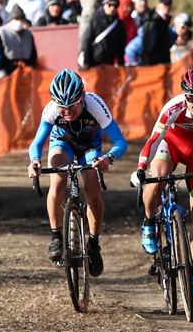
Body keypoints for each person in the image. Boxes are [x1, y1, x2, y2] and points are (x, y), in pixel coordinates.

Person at [131, 67, 193, 301]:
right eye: (191, 99)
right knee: (157, 181)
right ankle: (148, 221)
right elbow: (154, 140)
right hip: (171, 147)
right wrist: (141, 168)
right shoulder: (173, 108)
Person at [27, 69, 128, 276]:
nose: (67, 111)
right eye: (62, 107)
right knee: (57, 183)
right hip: (62, 143)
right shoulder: (51, 110)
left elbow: (120, 141)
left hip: (90, 147)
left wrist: (108, 158)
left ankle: (93, 243)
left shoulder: (95, 104)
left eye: (72, 105)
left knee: (93, 193)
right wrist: (34, 161)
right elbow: (37, 142)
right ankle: (56, 239)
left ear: (82, 97)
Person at [78, 0, 126, 70]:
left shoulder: (119, 24)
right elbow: (86, 40)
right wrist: (85, 61)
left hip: (110, 64)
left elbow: (121, 46)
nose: (112, 8)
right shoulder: (95, 20)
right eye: (109, 5)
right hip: (93, 64)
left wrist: (121, 64)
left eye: (115, 5)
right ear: (103, 5)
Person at [0, 4, 37, 78]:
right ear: (10, 20)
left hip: (24, 72)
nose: (19, 22)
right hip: (7, 71)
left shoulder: (28, 34)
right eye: (17, 19)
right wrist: (1, 72)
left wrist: (30, 67)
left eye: (21, 19)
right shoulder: (1, 32)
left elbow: (33, 54)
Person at [140, 0, 173, 66]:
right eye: (165, 4)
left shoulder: (162, 20)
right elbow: (149, 48)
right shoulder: (153, 21)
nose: (168, 6)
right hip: (153, 67)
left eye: (169, 4)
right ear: (158, 5)